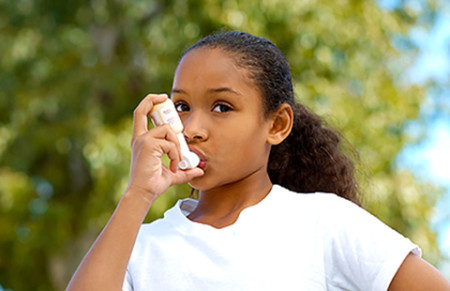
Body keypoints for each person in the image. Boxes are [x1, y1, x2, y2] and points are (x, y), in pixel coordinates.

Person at [67, 31, 450, 290]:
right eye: (181, 106)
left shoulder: (324, 223)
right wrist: (137, 195)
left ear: (277, 124)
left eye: (222, 106)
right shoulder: (139, 246)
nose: (192, 128)